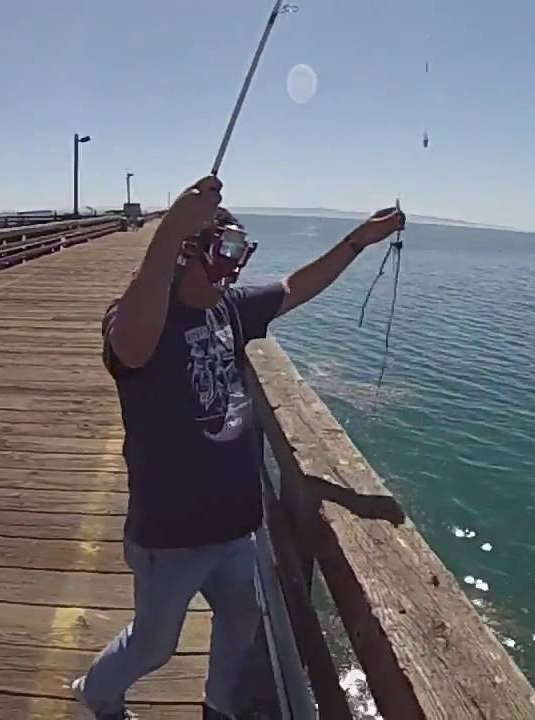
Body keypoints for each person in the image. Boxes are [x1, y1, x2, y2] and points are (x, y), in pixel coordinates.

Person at [72, 176, 405, 720]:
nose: (232, 268)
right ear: (185, 255)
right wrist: (169, 229)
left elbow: (299, 286)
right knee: (155, 645)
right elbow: (130, 347)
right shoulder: (136, 316)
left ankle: (218, 708)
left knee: (242, 618)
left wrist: (357, 241)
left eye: (239, 254)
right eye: (222, 253)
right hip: (171, 534)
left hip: (235, 526)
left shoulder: (231, 308)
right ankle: (98, 692)